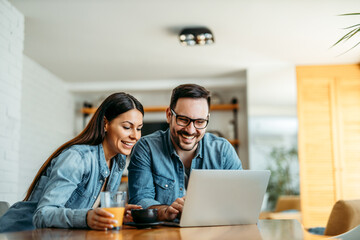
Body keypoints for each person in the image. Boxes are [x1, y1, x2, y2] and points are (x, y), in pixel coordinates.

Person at [0, 92, 144, 232]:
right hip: (18, 233)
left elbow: (85, 207)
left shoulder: (117, 162)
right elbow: (43, 214)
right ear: (105, 123)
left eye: (139, 129)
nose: (135, 136)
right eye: (127, 127)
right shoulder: (77, 158)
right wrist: (87, 218)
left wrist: (111, 214)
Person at [128, 84, 242, 221]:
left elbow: (240, 200)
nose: (191, 130)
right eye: (183, 120)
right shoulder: (146, 148)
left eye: (200, 121)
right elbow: (140, 201)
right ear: (169, 115)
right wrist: (166, 211)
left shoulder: (223, 150)